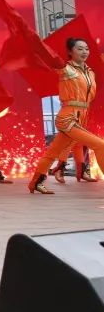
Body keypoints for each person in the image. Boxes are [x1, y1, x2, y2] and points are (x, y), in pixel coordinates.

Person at [28, 38, 103, 195]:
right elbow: (49, 56)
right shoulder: (65, 69)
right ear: (70, 52)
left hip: (81, 117)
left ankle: (35, 182)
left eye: (86, 49)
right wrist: (32, 39)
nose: (84, 52)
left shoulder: (90, 72)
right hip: (68, 118)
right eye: (80, 49)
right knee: (100, 145)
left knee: (52, 153)